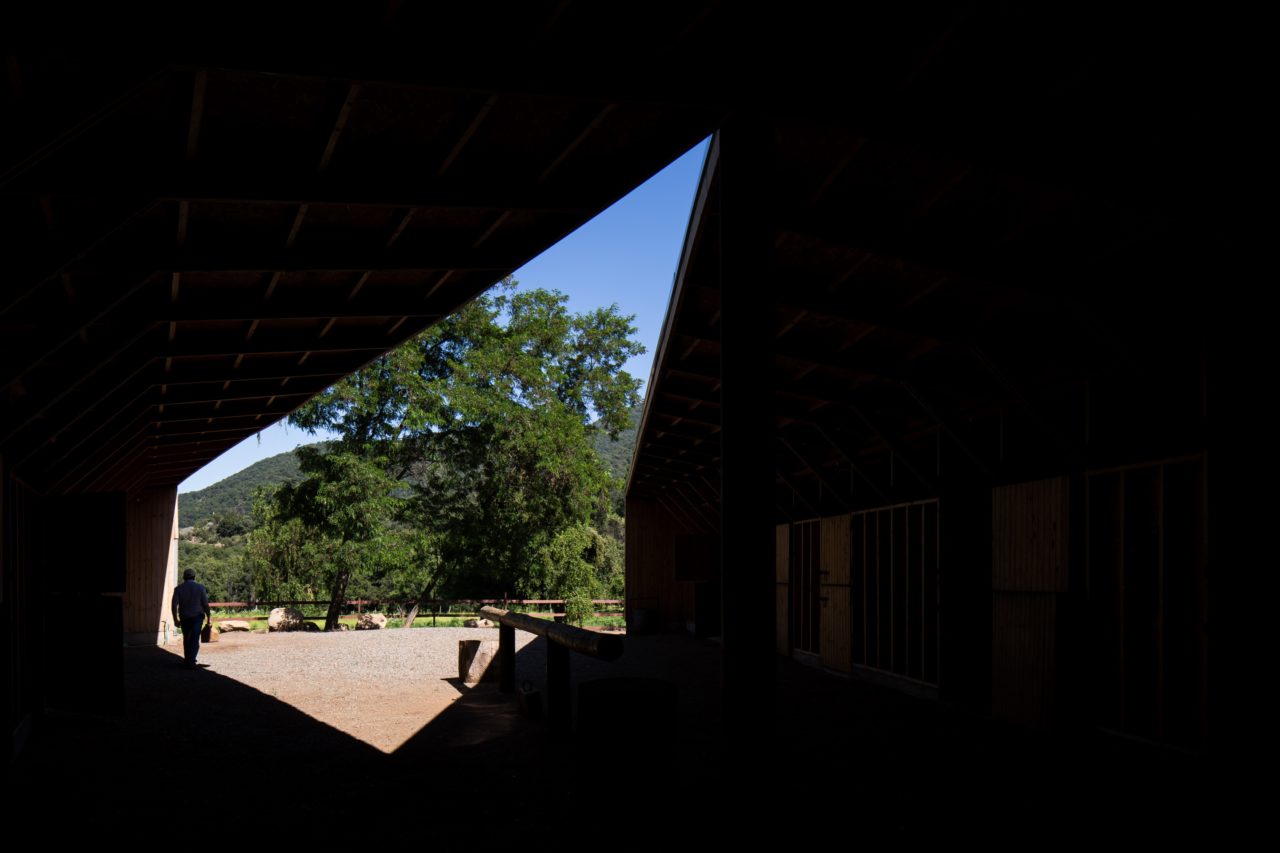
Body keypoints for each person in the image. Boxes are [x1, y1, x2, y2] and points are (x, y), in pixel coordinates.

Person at [171, 568, 211, 670]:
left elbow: (174, 605)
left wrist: (175, 619)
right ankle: (191, 660)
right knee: (194, 639)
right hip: (197, 617)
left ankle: (188, 659)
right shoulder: (200, 588)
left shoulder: (178, 589)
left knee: (186, 638)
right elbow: (205, 604)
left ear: (184, 577)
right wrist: (209, 617)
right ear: (194, 577)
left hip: (184, 617)